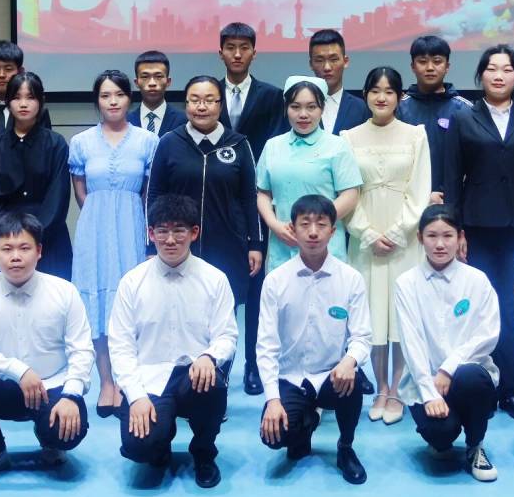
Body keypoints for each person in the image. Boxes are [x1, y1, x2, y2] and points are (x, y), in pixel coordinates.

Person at [443, 44, 514, 422]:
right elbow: (452, 177)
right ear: (481, 75)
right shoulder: (463, 119)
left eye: (507, 69)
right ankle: (481, 386)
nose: (499, 75)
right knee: (481, 307)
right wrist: (456, 230)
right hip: (477, 226)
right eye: (492, 68)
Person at [0, 212, 94, 485]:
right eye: (7, 249)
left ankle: (50, 440)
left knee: (68, 433)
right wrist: (18, 370)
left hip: (51, 385)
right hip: (0, 386)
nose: (15, 256)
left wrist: (71, 395)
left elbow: (82, 350)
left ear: (39, 251)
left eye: (24, 248)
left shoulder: (64, 292)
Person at [108, 194, 238, 488]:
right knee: (139, 446)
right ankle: (160, 441)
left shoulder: (215, 279)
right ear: (150, 233)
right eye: (162, 231)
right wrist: (136, 396)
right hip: (149, 378)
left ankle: (204, 452)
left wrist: (209, 357)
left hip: (194, 374)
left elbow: (227, 334)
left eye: (179, 230)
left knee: (212, 384)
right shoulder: (132, 282)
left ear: (194, 232)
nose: (170, 239)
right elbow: (120, 346)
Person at [256, 78, 364, 395]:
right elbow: (262, 192)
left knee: (330, 316)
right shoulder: (273, 146)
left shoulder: (336, 146)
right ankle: (287, 383)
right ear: (286, 109)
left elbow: (350, 194)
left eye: (311, 107)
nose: (303, 114)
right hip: (284, 241)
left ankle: (336, 381)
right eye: (296, 107)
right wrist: (274, 224)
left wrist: (317, 227)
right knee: (286, 315)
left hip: (324, 242)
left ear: (321, 109)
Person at [257, 195, 372, 484]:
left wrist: (349, 361)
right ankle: (307, 422)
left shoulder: (351, 279)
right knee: (274, 436)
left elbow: (362, 336)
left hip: (332, 374)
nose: (312, 232)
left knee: (353, 380)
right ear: (292, 229)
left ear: (333, 232)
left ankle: (345, 447)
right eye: (305, 224)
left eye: (321, 225)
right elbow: (266, 345)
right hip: (291, 377)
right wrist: (272, 400)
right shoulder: (276, 280)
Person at [341, 66, 431, 425]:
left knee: (400, 315)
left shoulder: (416, 135)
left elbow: (420, 191)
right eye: (375, 90)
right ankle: (379, 387)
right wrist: (365, 233)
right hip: (365, 239)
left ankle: (396, 388)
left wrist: (396, 233)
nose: (382, 97)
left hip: (404, 239)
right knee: (373, 314)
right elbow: (346, 192)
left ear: (399, 96)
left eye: (389, 91)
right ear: (365, 95)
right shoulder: (348, 137)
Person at [69, 69, 158, 415]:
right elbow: (80, 189)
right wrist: (98, 211)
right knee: (97, 302)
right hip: (94, 227)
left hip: (132, 224)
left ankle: (128, 380)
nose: (113, 101)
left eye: (119, 94)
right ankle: (106, 381)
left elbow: (149, 190)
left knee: (130, 302)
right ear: (97, 101)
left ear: (129, 98)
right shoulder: (81, 142)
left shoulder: (148, 141)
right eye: (105, 95)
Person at [394, 206, 500, 482]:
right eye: (432, 236)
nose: (440, 244)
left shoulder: (477, 280)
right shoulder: (406, 283)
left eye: (448, 235)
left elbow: (488, 334)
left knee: (471, 376)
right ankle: (442, 436)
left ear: (460, 237)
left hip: (467, 375)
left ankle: (475, 445)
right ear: (420, 238)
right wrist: (429, 391)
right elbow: (412, 342)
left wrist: (448, 368)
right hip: (425, 379)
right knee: (440, 435)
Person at [145, 74, 262, 322]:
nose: (201, 107)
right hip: (179, 243)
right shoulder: (169, 142)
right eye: (194, 100)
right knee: (179, 312)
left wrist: (255, 244)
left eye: (209, 100)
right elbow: (153, 195)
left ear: (220, 105)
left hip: (228, 243)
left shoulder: (238, 144)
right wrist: (150, 244)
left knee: (224, 315)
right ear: (186, 104)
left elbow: (249, 198)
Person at [0, 71, 73, 281]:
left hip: (49, 239)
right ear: (7, 102)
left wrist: (33, 238)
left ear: (40, 101)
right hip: (7, 239)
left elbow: (57, 198)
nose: (23, 104)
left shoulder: (55, 144)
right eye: (16, 97)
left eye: (30, 97)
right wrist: (10, 237)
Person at [395, 34, 471, 202]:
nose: (430, 68)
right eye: (422, 62)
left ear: (447, 66)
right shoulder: (399, 109)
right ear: (412, 66)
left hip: (453, 201)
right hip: (407, 201)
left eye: (437, 61)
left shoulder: (465, 110)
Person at [217, 21, 282, 161]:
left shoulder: (271, 95)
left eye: (244, 48)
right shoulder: (211, 93)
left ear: (254, 53)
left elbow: (276, 141)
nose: (237, 54)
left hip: (258, 168)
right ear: (221, 53)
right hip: (217, 170)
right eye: (230, 48)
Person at [304, 29, 370, 134]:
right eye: (319, 60)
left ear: (345, 61)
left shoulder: (361, 108)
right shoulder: (299, 109)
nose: (327, 67)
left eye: (334, 59)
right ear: (311, 64)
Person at [127, 50, 186, 136]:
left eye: (158, 76)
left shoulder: (184, 121)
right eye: (145, 77)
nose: (152, 83)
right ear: (136, 83)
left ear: (168, 81)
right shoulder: (126, 121)